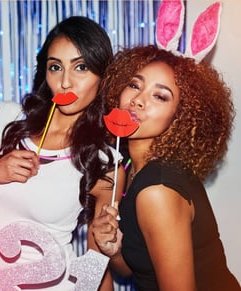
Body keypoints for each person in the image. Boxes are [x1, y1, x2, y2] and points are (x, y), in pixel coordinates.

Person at [0, 16, 125, 290]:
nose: (66, 82)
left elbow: (95, 265)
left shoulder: (104, 161)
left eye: (81, 67)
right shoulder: (4, 120)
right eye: (55, 67)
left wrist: (109, 246)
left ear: (102, 77)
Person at [92, 45, 241, 291]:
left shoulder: (157, 190)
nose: (138, 100)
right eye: (134, 85)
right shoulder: (130, 168)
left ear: (179, 116)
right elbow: (134, 268)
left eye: (159, 96)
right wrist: (115, 250)